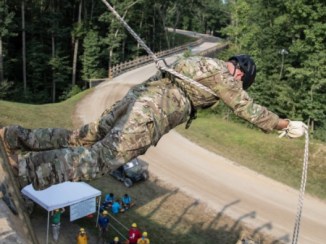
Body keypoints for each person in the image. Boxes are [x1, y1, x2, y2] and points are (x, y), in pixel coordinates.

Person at [0, 55, 307, 191]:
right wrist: (283, 124)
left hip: (135, 100)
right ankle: (24, 172)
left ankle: (15, 136)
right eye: (243, 82)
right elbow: (247, 108)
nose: (240, 86)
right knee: (100, 160)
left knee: (81, 138)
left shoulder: (197, 64)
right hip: (149, 114)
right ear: (241, 73)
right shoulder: (224, 76)